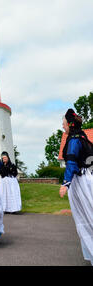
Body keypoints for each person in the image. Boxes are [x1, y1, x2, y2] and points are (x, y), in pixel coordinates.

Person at [59, 109, 93, 265]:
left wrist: (65, 183)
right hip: (88, 178)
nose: (62, 126)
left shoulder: (73, 140)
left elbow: (71, 162)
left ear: (70, 124)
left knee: (86, 217)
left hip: (80, 182)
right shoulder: (84, 138)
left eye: (64, 123)